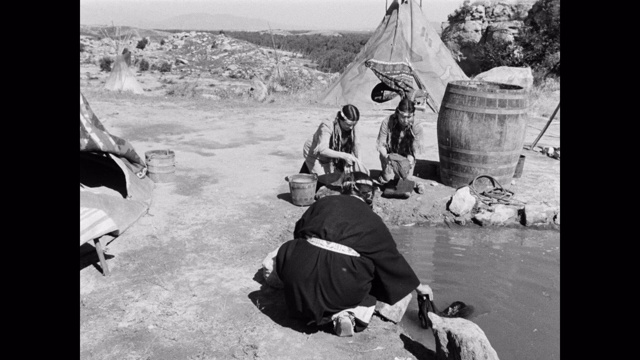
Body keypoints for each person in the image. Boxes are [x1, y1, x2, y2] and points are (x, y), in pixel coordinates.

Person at [275, 172, 433, 337]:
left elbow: (299, 232)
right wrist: (420, 288)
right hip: (340, 287)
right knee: (371, 278)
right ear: (369, 195)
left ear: (345, 189)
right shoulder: (373, 220)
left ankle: (303, 298)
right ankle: (347, 314)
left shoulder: (323, 203)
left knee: (292, 248)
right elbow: (392, 261)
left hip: (299, 279)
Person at [301, 104, 368, 180]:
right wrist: (345, 156)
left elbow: (357, 144)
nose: (351, 127)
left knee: (339, 177)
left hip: (333, 153)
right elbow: (322, 150)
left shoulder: (352, 121)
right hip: (315, 154)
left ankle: (309, 170)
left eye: (353, 125)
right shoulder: (327, 125)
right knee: (324, 180)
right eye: (348, 125)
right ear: (340, 119)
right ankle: (307, 169)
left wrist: (359, 163)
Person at [375, 96, 424, 185]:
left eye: (409, 117)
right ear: (397, 113)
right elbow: (381, 145)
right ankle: (383, 175)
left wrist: (409, 160)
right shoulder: (387, 122)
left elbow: (414, 150)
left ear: (413, 115)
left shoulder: (417, 126)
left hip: (406, 157)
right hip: (390, 156)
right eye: (402, 117)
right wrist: (386, 156)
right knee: (389, 180)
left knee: (405, 181)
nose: (405, 120)